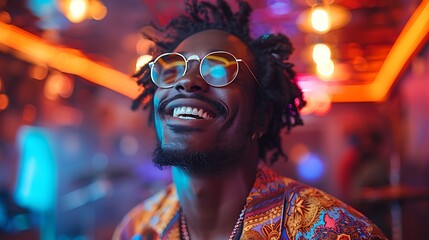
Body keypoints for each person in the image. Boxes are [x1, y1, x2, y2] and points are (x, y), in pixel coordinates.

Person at [113, 0, 388, 239]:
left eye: (220, 70)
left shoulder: (335, 231)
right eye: (173, 68)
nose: (187, 80)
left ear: (260, 118)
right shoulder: (136, 229)